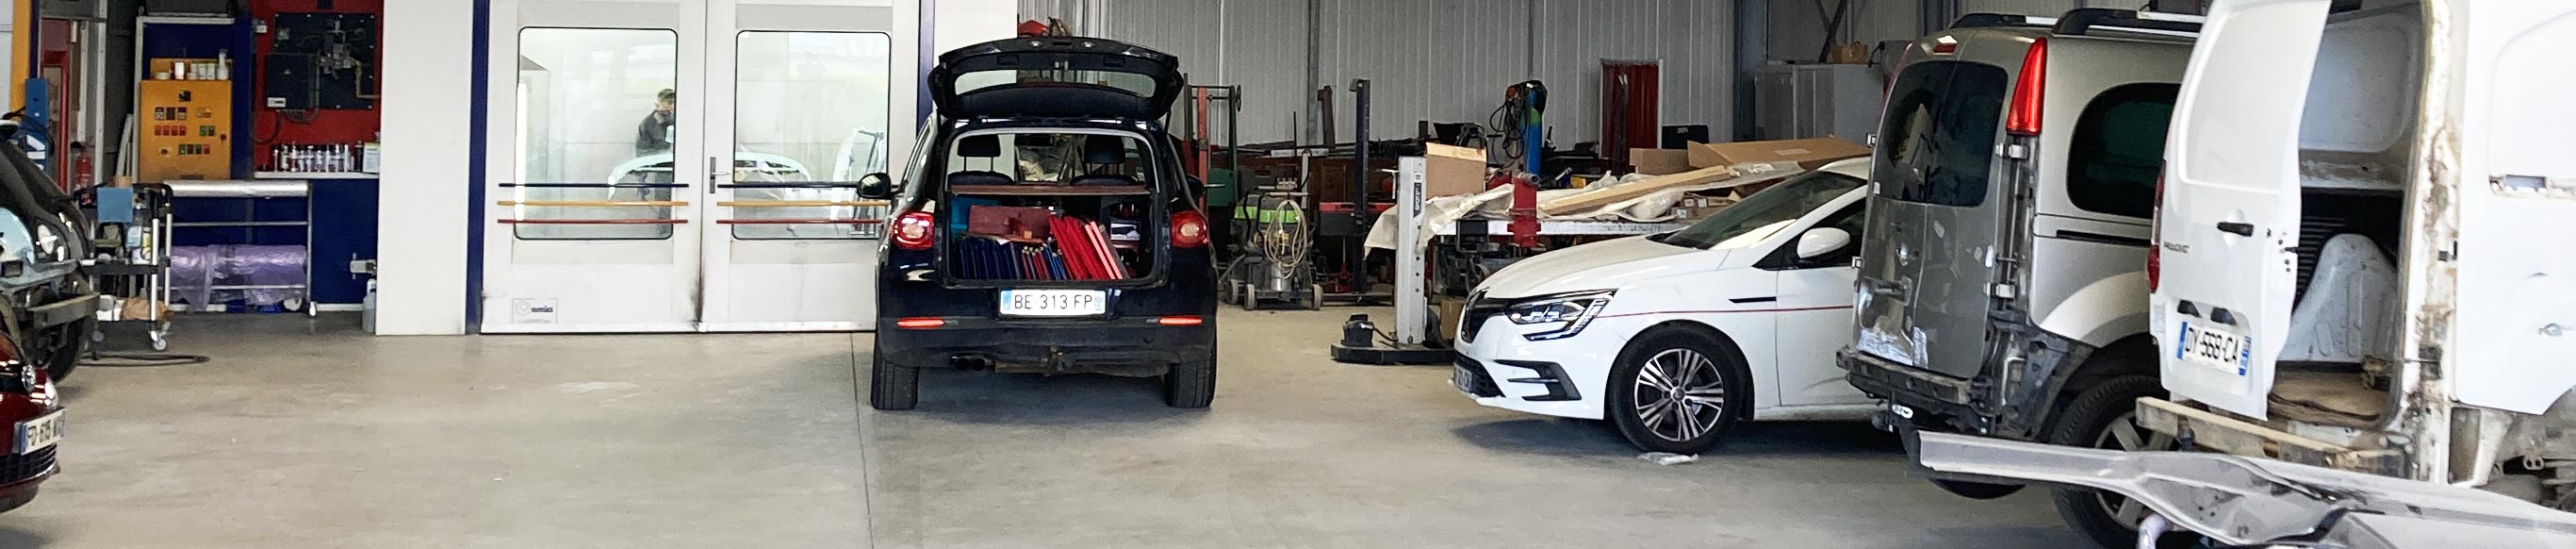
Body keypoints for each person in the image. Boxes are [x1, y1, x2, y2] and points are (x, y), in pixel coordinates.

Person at [634, 89, 677, 156]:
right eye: (667, 111)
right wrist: (666, 152)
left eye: (674, 111)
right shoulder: (646, 125)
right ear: (657, 106)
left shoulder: (680, 119)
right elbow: (642, 152)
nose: (671, 114)